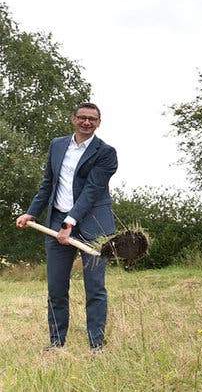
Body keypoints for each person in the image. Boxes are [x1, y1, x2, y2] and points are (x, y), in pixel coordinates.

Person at [16, 102, 118, 351]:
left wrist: (69, 223)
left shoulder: (106, 153)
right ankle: (56, 344)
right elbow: (47, 183)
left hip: (93, 226)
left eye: (92, 119)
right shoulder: (57, 145)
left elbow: (92, 190)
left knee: (95, 288)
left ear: (99, 123)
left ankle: (96, 345)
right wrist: (32, 212)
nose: (86, 122)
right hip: (56, 223)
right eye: (82, 117)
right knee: (56, 289)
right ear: (73, 119)